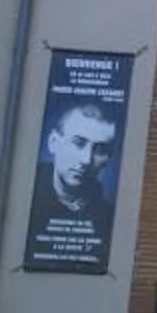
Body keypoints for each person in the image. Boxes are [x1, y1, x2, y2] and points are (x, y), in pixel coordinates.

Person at [28, 97, 120, 255]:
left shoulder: (108, 218)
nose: (86, 159)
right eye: (78, 143)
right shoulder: (25, 195)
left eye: (100, 150)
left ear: (108, 158)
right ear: (53, 142)